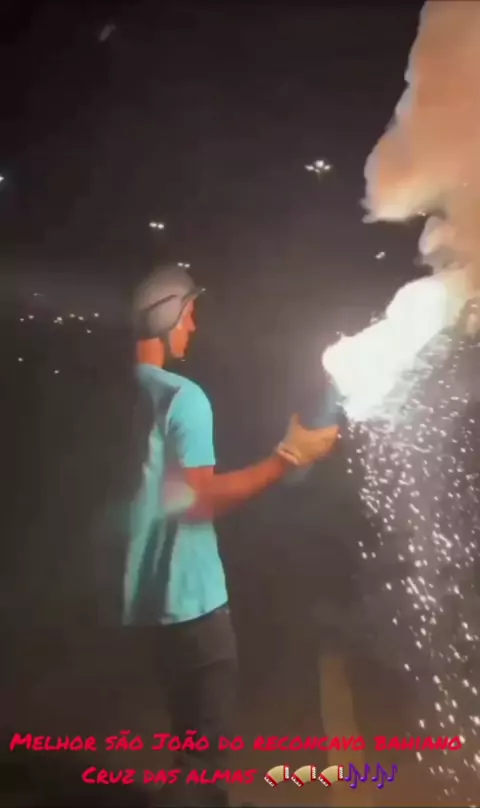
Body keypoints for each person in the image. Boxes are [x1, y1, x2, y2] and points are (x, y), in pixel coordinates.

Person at [126, 264, 339, 807]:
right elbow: (198, 502)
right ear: (166, 317)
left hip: (144, 602)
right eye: (188, 314)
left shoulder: (128, 392)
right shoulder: (185, 398)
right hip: (192, 605)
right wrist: (287, 458)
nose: (193, 327)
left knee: (186, 741)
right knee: (203, 763)